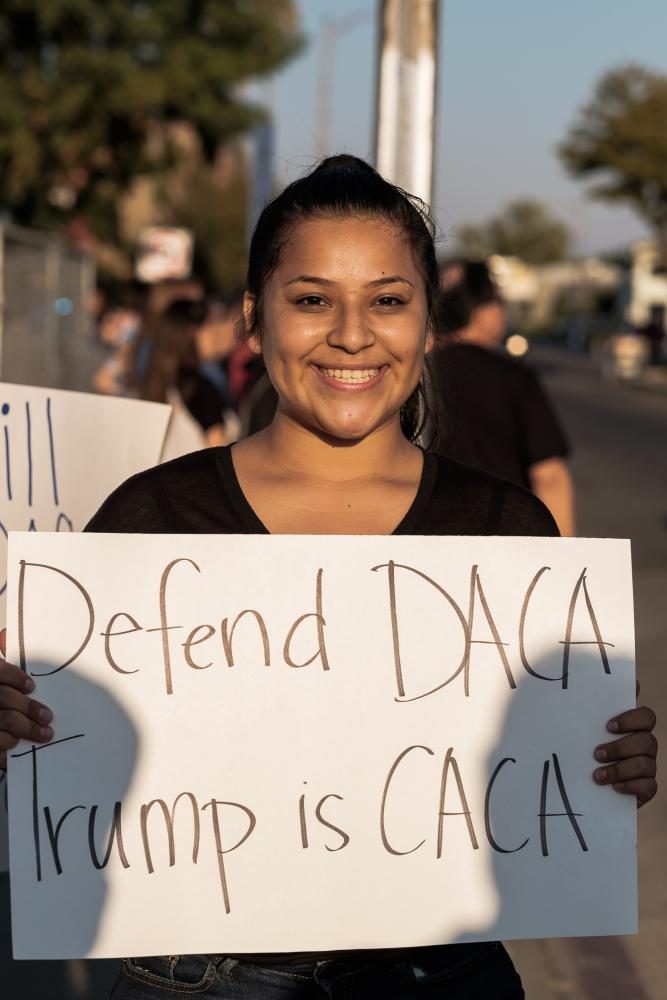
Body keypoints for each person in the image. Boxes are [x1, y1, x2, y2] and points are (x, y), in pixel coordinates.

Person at [0, 156, 657, 999]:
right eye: (311, 299)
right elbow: (64, 768)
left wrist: (610, 773)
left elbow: (547, 793)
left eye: (387, 300)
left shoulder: (506, 533)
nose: (352, 333)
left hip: (441, 981)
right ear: (253, 318)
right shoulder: (150, 516)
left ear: (426, 325)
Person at [432, 261, 576, 535]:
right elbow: (549, 476)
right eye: (498, 301)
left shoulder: (412, 375)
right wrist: (565, 562)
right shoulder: (514, 377)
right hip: (507, 537)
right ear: (483, 312)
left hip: (427, 543)